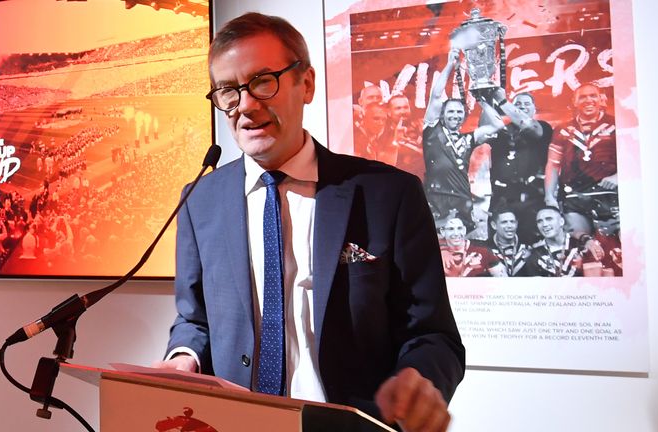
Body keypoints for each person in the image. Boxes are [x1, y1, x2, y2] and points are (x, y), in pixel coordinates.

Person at [154, 12, 464, 431]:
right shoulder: (199, 201)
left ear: (307, 84)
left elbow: (434, 336)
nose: (245, 105)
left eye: (263, 81)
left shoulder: (389, 195)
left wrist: (418, 379)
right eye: (228, 91)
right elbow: (194, 320)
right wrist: (182, 361)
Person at [423, 47, 503, 227]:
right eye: (450, 111)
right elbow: (435, 95)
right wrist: (450, 65)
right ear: (442, 115)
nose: (455, 115)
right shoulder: (432, 130)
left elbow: (497, 124)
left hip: (462, 199)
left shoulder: (469, 138)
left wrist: (482, 100)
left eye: (459, 112)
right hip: (436, 198)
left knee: (462, 242)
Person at [544, 83, 617, 233]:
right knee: (581, 243)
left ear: (601, 100)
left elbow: (634, 159)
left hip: (608, 197)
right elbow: (553, 165)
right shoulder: (562, 129)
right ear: (574, 102)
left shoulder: (616, 124)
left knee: (615, 245)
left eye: (593, 96)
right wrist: (549, 196)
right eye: (582, 97)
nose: (588, 100)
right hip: (574, 196)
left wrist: (617, 177)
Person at [483, 89, 553, 244]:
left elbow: (529, 127)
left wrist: (502, 101)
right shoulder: (501, 131)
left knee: (531, 240)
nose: (522, 106)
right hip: (503, 196)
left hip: (532, 196)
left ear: (534, 109)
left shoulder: (542, 127)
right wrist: (485, 101)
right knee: (499, 240)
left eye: (527, 104)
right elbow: (482, 133)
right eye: (518, 104)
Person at [524, 206, 594, 277]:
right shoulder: (535, 255)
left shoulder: (582, 245)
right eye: (540, 221)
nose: (544, 225)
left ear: (561, 222)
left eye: (549, 219)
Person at [439, 217, 506, 277]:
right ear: (443, 232)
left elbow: (504, 282)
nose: (456, 233)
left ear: (464, 230)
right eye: (451, 229)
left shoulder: (483, 251)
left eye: (459, 228)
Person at [486, 207, 530, 276]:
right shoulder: (485, 250)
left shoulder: (528, 248)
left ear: (517, 224)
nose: (509, 226)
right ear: (494, 225)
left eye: (512, 222)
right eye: (504, 222)